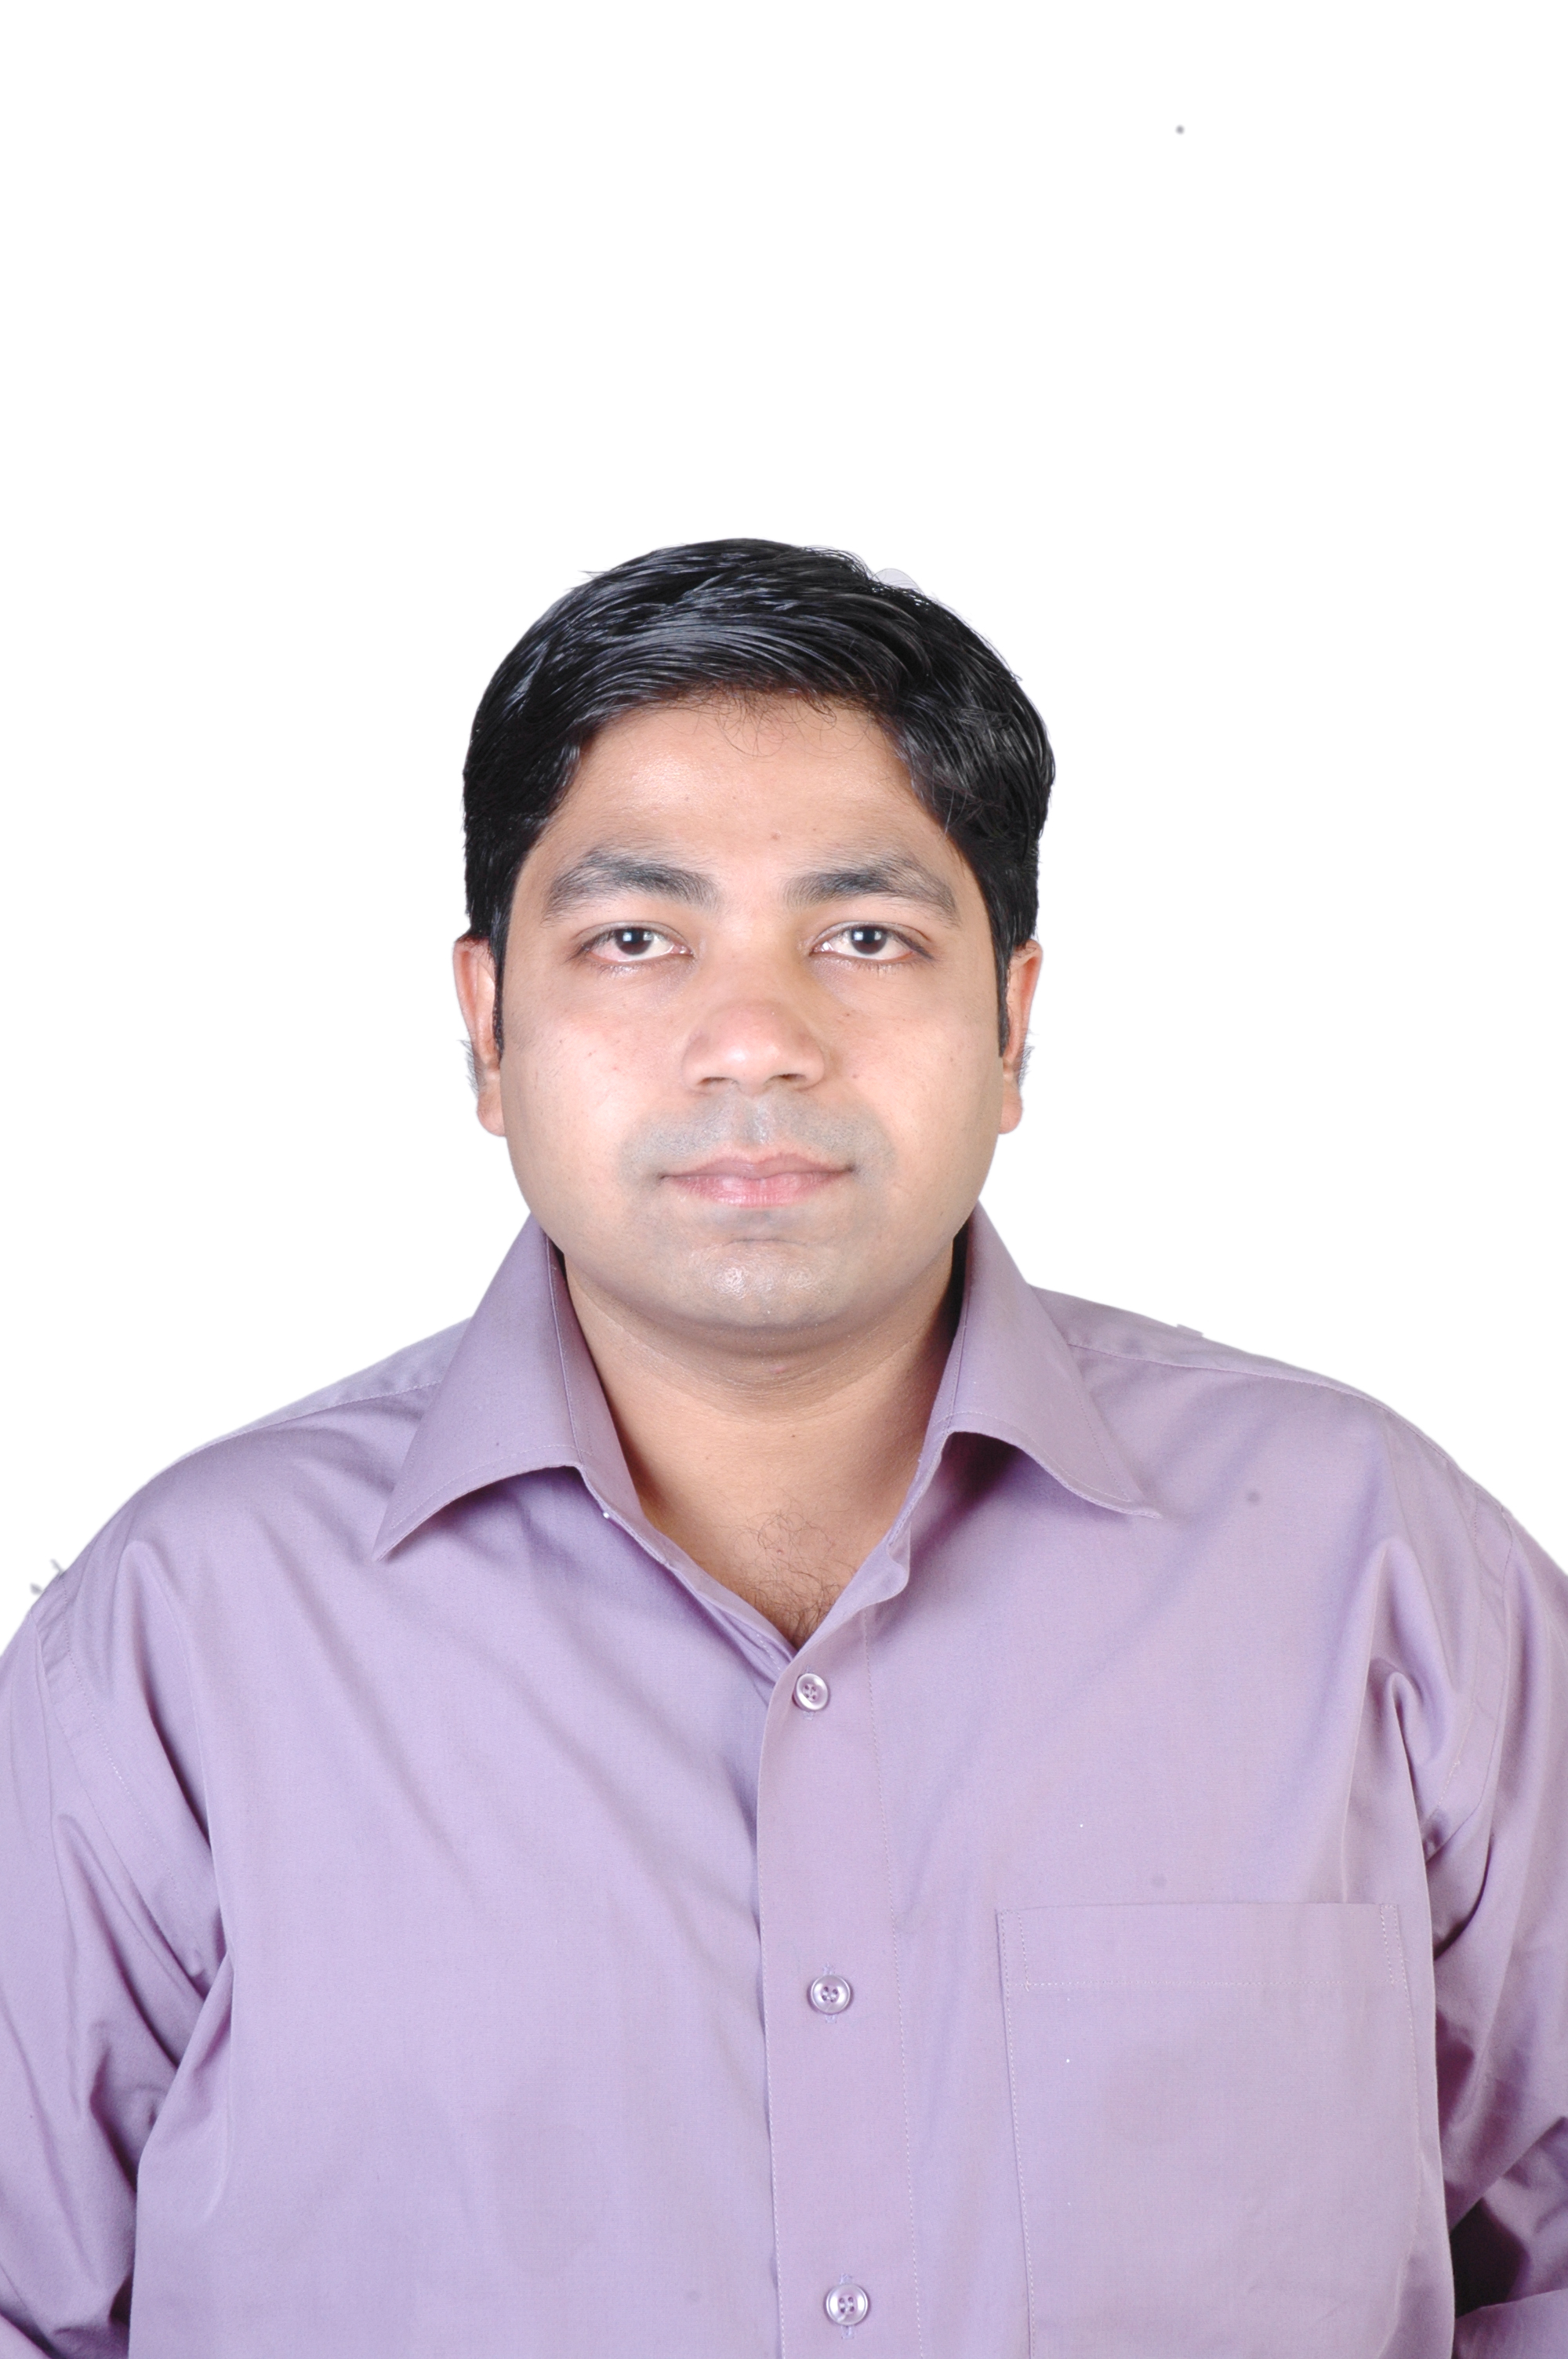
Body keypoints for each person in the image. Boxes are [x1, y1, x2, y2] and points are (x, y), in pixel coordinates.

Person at [1, 540, 1563, 2358]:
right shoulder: (187, 1631)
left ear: (1013, 1019)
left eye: (863, 936)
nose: (754, 1038)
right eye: (636, 938)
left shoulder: (1374, 1566)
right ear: (488, 1025)